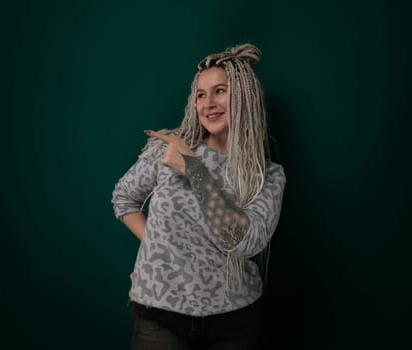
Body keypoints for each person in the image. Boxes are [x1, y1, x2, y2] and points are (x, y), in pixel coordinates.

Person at [111, 43, 286, 350]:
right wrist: (157, 252)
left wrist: (194, 169)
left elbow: (245, 241)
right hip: (158, 314)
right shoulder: (170, 148)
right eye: (201, 95)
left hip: (234, 320)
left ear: (244, 97)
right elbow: (123, 198)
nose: (208, 104)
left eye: (220, 91)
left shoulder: (267, 176)